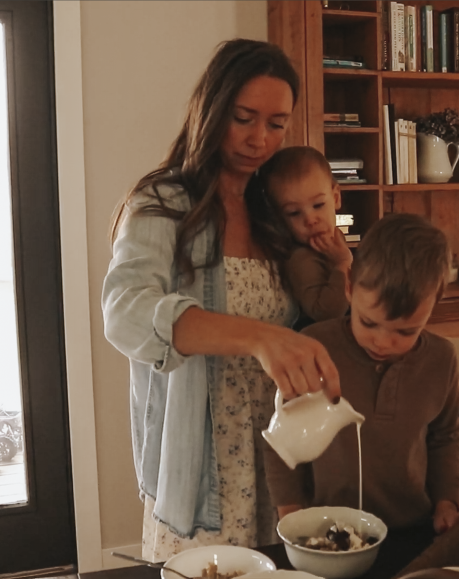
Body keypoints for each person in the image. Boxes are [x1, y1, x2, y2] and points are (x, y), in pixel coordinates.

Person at [102, 39, 342, 561]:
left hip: (281, 463)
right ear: (211, 109)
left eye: (277, 124)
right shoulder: (163, 205)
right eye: (243, 117)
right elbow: (124, 312)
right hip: (204, 467)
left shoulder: (276, 212)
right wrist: (258, 337)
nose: (259, 139)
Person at [264, 212, 459, 534]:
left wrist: (447, 502)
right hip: (325, 531)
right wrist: (290, 513)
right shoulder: (315, 347)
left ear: (435, 304)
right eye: (369, 322)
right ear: (349, 286)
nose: (382, 342)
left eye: (406, 331)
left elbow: (446, 438)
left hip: (411, 532)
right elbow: (280, 438)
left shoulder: (442, 360)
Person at [251, 146, 352, 328]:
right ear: (280, 219)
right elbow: (325, 313)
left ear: (336, 198)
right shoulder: (301, 258)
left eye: (318, 205)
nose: (310, 220)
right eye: (294, 213)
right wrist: (343, 263)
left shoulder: (334, 240)